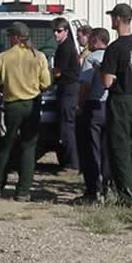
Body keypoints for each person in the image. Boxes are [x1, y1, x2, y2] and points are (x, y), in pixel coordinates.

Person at [0, 21, 51, 202]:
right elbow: (46, 83)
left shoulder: (4, 57)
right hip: (32, 103)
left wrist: (4, 85)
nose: (8, 39)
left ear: (15, 38)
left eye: (9, 36)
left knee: (5, 145)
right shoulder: (38, 56)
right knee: (28, 147)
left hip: (12, 105)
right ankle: (23, 190)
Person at [101, 3, 132, 207]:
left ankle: (126, 196)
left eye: (113, 17)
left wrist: (99, 72)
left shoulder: (115, 47)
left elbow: (107, 82)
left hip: (120, 101)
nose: (111, 20)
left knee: (120, 148)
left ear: (118, 19)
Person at [74, 28, 110, 205]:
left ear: (96, 40)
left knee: (91, 150)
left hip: (93, 106)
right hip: (109, 106)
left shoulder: (91, 58)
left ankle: (93, 190)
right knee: (106, 150)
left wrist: (79, 105)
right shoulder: (112, 56)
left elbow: (85, 86)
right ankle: (107, 187)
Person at [52, 17, 80, 170]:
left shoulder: (65, 48)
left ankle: (72, 162)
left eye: (59, 31)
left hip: (68, 89)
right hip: (67, 88)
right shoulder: (65, 46)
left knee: (67, 126)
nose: (56, 34)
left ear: (66, 32)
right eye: (54, 31)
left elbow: (57, 72)